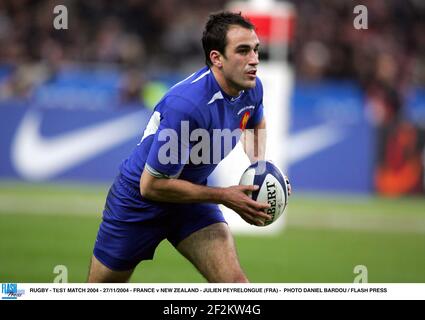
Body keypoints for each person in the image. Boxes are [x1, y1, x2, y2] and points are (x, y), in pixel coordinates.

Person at [88, 11, 290, 283]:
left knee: (236, 286)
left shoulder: (251, 88)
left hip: (191, 202)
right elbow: (151, 185)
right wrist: (224, 196)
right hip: (137, 203)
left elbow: (255, 121)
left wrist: (261, 170)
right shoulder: (188, 106)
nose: (254, 60)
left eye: (255, 49)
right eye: (243, 51)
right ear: (216, 58)